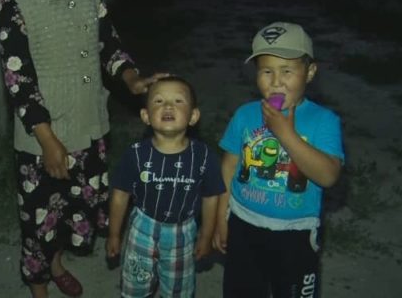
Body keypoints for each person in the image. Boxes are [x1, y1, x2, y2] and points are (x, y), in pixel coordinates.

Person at [0, 0, 165, 298]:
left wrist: (131, 78)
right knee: (40, 217)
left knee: (73, 208)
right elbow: (18, 79)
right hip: (43, 134)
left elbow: (107, 42)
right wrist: (48, 139)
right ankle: (39, 285)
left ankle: (56, 264)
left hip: (89, 121)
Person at [212, 21, 345, 298]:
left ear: (310, 72)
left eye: (287, 71)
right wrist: (222, 217)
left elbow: (328, 176)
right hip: (243, 223)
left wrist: (286, 134)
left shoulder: (323, 121)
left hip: (295, 233)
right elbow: (229, 166)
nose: (276, 81)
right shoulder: (245, 115)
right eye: (266, 71)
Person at [106, 76, 225, 297]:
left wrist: (206, 236)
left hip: (183, 232)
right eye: (159, 101)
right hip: (143, 227)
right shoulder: (135, 154)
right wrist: (114, 234)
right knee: (135, 285)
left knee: (178, 289)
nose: (168, 106)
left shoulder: (203, 156)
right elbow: (120, 195)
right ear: (146, 116)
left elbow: (211, 198)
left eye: (178, 101)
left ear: (193, 116)